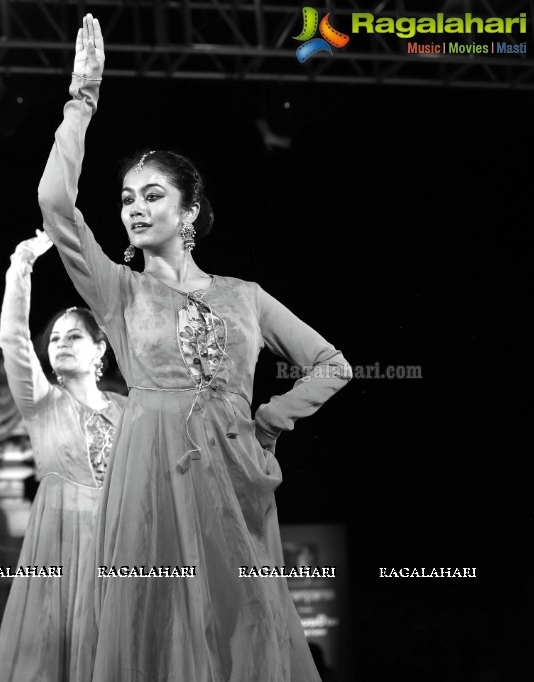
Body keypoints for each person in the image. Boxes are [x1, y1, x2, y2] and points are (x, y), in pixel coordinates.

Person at [37, 15, 352, 681]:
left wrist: (268, 419)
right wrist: (81, 101)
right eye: (126, 199)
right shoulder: (116, 291)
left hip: (234, 473)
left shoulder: (246, 296)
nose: (134, 208)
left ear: (189, 212)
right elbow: (55, 202)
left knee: (243, 619)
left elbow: (333, 365)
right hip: (149, 471)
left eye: (153, 195)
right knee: (155, 617)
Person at [0, 230, 126, 681]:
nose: (60, 343)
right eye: (55, 339)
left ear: (100, 349)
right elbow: (13, 339)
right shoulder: (42, 403)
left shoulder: (131, 410)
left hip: (122, 542)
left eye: (74, 337)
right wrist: (21, 263)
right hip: (62, 543)